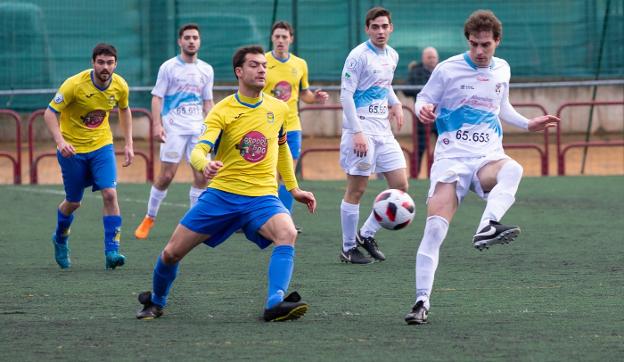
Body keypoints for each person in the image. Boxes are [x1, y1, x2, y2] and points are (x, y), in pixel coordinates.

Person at [136, 45, 317, 322]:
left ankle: (274, 303)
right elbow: (199, 149)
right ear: (239, 71)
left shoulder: (279, 109)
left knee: (287, 233)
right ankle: (156, 301)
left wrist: (294, 189)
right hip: (222, 196)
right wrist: (203, 163)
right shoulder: (222, 110)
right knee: (171, 253)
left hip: (262, 197)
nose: (261, 70)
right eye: (254, 65)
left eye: (264, 66)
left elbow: (282, 150)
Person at [404, 10, 560, 325]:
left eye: (485, 45)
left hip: (487, 155)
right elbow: (423, 98)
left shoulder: (502, 68)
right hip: (451, 159)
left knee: (513, 169)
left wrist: (529, 123)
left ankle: (487, 226)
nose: (479, 51)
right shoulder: (448, 70)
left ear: (497, 42)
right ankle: (421, 301)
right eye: (474, 44)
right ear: (468, 41)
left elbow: (501, 106)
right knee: (434, 230)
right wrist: (422, 110)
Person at [43, 43, 134, 270]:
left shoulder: (120, 85)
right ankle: (61, 238)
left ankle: (112, 251)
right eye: (101, 62)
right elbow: (50, 113)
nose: (105, 67)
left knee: (110, 194)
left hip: (101, 146)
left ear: (116, 64)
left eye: (110, 62)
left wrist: (129, 143)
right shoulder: (74, 85)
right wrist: (60, 142)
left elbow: (125, 109)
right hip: (72, 150)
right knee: (73, 202)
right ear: (93, 63)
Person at [338, 6, 408, 265]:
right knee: (357, 189)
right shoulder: (358, 55)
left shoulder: (392, 55)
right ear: (367, 29)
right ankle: (348, 248)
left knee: (400, 185)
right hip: (362, 128)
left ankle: (366, 234)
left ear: (391, 28)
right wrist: (356, 132)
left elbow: (385, 84)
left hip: (384, 130)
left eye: (384, 26)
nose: (380, 31)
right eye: (375, 27)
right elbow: (345, 94)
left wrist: (396, 103)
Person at [134, 23, 214, 240]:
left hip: (198, 130)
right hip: (174, 129)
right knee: (166, 176)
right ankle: (150, 217)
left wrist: (214, 129)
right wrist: (157, 125)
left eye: (195, 38)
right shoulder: (168, 67)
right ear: (180, 41)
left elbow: (208, 102)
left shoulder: (206, 69)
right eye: (187, 37)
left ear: (199, 41)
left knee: (201, 176)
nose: (191, 41)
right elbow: (157, 97)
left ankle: (193, 223)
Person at [263, 21, 328, 231]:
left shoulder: (300, 64)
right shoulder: (262, 61)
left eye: (285, 37)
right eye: (277, 37)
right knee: (269, 173)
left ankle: (284, 218)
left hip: (291, 126)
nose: (281, 40)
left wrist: (315, 97)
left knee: (287, 172)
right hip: (266, 125)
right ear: (272, 38)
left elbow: (304, 94)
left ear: (291, 39)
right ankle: (261, 216)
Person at [404, 47, 439, 175]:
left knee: (446, 146)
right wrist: (424, 93)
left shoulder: (442, 71)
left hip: (440, 117)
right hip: (422, 118)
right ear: (423, 59)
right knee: (420, 147)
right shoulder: (416, 72)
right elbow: (406, 90)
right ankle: (415, 175)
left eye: (434, 57)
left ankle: (442, 175)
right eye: (429, 57)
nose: (431, 60)